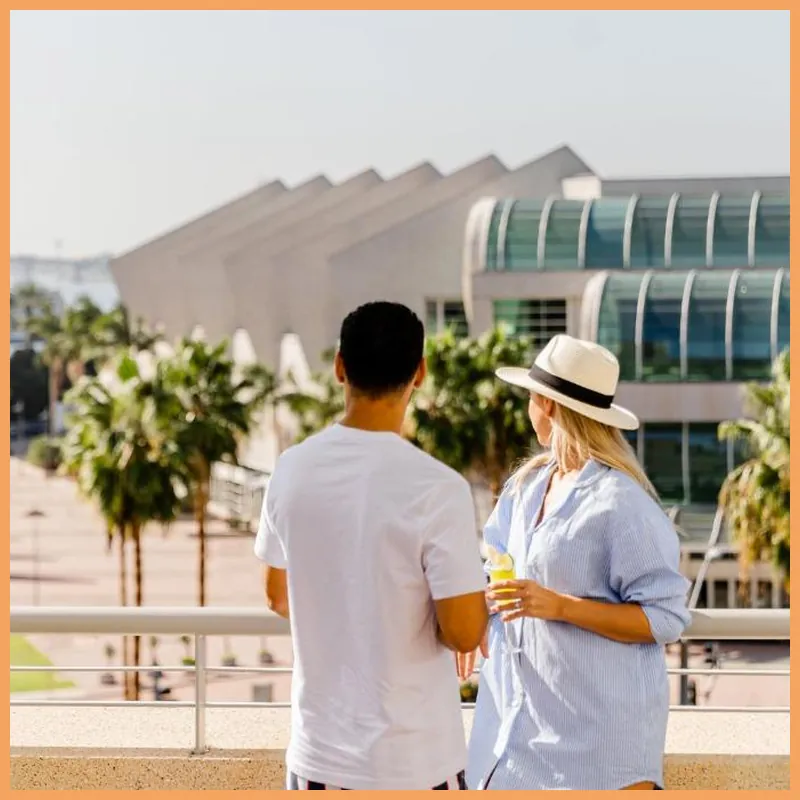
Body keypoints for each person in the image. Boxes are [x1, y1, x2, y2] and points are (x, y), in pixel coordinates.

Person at [255, 301, 488, 791]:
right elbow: (465, 633)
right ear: (419, 373)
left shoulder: (291, 469)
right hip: (414, 762)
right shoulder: (438, 488)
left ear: (339, 366)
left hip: (317, 756)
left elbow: (277, 595)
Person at [459, 334, 691, 791]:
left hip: (599, 754)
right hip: (516, 747)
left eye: (530, 396)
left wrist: (560, 606)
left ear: (546, 404)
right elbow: (494, 567)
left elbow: (664, 617)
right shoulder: (524, 489)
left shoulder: (622, 504)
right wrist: (475, 615)